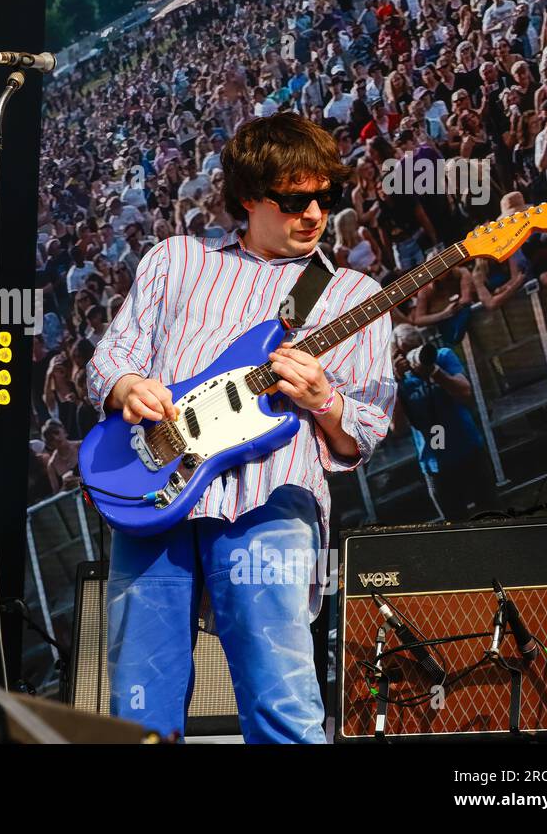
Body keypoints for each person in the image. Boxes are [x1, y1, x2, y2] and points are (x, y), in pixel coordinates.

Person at [87, 114, 397, 742]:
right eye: (294, 199)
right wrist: (127, 387)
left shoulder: (352, 297)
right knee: (139, 706)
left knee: (280, 700)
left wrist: (325, 400)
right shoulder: (176, 260)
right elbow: (111, 359)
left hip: (268, 503)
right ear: (251, 196)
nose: (313, 213)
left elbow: (362, 431)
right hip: (155, 494)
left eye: (325, 198)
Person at [390, 325, 494, 521]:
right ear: (398, 355)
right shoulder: (397, 382)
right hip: (435, 465)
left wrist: (435, 372)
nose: (415, 355)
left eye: (417, 347)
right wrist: (395, 383)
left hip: (469, 450)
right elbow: (397, 428)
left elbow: (465, 392)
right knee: (456, 526)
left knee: (490, 515)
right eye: (408, 351)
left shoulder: (442, 357)